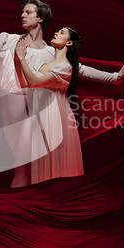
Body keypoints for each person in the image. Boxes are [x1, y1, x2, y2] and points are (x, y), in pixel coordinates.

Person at [0, 0, 124, 187]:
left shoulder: (51, 53)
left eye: (28, 12)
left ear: (40, 19)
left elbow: (80, 68)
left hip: (34, 108)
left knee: (24, 167)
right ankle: (23, 204)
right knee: (20, 166)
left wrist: (113, 77)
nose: (22, 15)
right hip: (8, 104)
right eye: (22, 12)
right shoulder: (10, 40)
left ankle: (23, 206)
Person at [14, 27, 84, 184]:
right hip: (41, 119)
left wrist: (22, 58)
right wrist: (18, 61)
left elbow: (33, 82)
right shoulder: (43, 66)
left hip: (57, 119)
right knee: (43, 165)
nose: (56, 33)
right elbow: (24, 83)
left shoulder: (66, 66)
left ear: (69, 42)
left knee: (58, 164)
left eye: (61, 33)